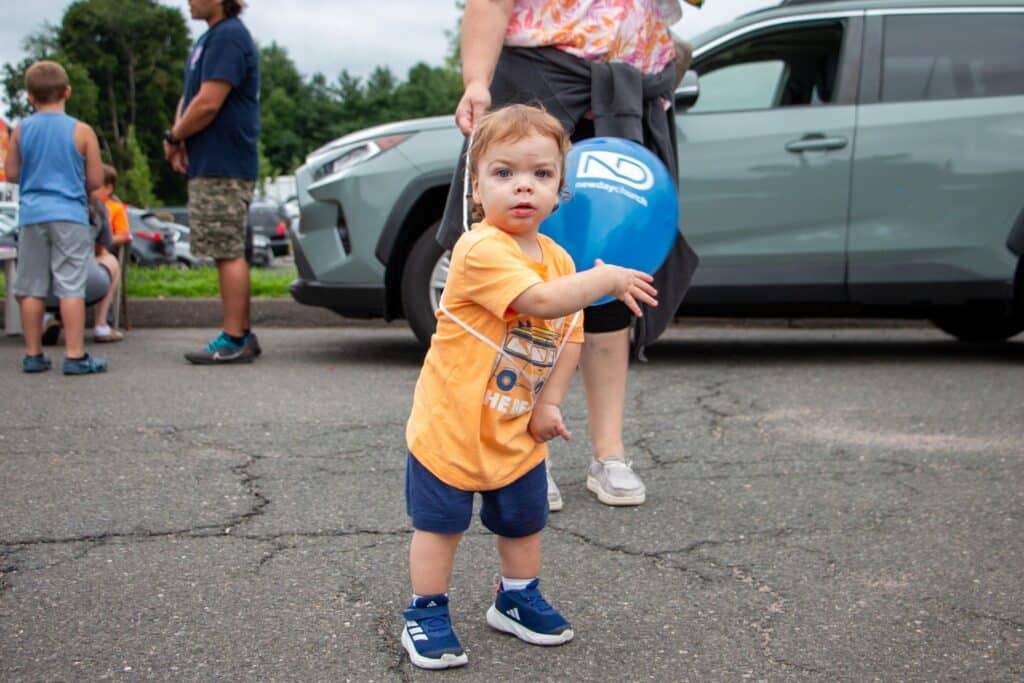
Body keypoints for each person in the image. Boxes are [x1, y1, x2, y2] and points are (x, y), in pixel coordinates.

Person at [401, 104, 658, 670]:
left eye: (541, 174)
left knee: (523, 521)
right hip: (452, 425)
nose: (523, 186)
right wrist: (605, 279)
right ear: (475, 187)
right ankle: (426, 611)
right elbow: (540, 303)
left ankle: (515, 599)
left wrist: (549, 403)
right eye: (504, 173)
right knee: (440, 526)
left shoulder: (559, 258)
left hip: (514, 426)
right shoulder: (478, 248)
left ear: (561, 188)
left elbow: (569, 333)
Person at [438, 0, 701, 509]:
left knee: (608, 275)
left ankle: (610, 454)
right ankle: (525, 453)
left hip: (630, 94)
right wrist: (476, 81)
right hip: (539, 85)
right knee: (524, 279)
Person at [164, 0, 261, 364]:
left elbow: (208, 102)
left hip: (225, 163)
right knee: (227, 247)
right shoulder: (211, 38)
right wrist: (176, 135)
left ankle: (233, 338)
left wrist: (174, 137)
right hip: (212, 160)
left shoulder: (229, 37)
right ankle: (243, 333)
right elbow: (190, 96)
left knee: (227, 250)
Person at [7, 59, 107, 375]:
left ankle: (33, 354)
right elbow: (95, 181)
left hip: (32, 214)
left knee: (32, 286)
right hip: (69, 215)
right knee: (71, 285)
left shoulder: (21, 129)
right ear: (67, 91)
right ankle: (75, 355)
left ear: (30, 96)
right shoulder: (82, 131)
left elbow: (10, 173)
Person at [89, 164, 130, 342]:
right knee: (110, 263)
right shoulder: (95, 206)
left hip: (100, 249)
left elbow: (124, 234)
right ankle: (101, 324)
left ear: (109, 188)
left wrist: (105, 241)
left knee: (109, 260)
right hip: (95, 250)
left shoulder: (113, 208)